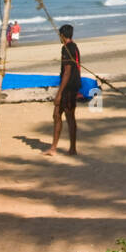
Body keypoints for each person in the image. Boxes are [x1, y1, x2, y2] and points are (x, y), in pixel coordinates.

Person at [45, 24, 81, 156]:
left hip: (69, 86)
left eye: (59, 36)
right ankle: (53, 148)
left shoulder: (67, 48)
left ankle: (72, 149)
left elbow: (67, 71)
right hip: (71, 84)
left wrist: (59, 93)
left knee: (69, 116)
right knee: (56, 114)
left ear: (62, 35)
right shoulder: (74, 46)